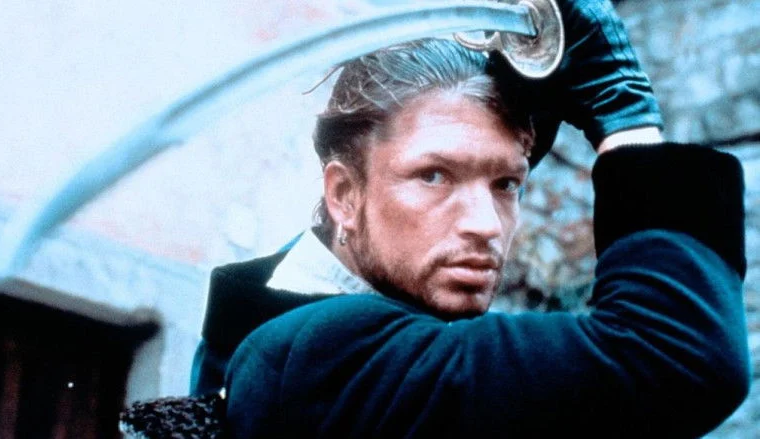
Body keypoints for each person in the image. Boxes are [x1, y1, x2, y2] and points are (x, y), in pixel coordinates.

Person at [190, 2, 750, 437]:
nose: (486, 225)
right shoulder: (320, 359)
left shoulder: (269, 325)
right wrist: (624, 115)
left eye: (506, 184)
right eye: (434, 175)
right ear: (342, 194)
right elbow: (676, 354)